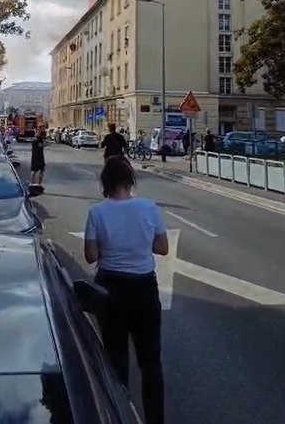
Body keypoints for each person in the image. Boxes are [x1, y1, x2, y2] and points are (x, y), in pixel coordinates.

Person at [84, 156, 168, 424]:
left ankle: (119, 417)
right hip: (144, 287)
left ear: (105, 184)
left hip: (111, 288)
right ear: (130, 182)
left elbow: (90, 256)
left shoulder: (97, 213)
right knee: (150, 361)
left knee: (116, 359)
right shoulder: (150, 207)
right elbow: (162, 248)